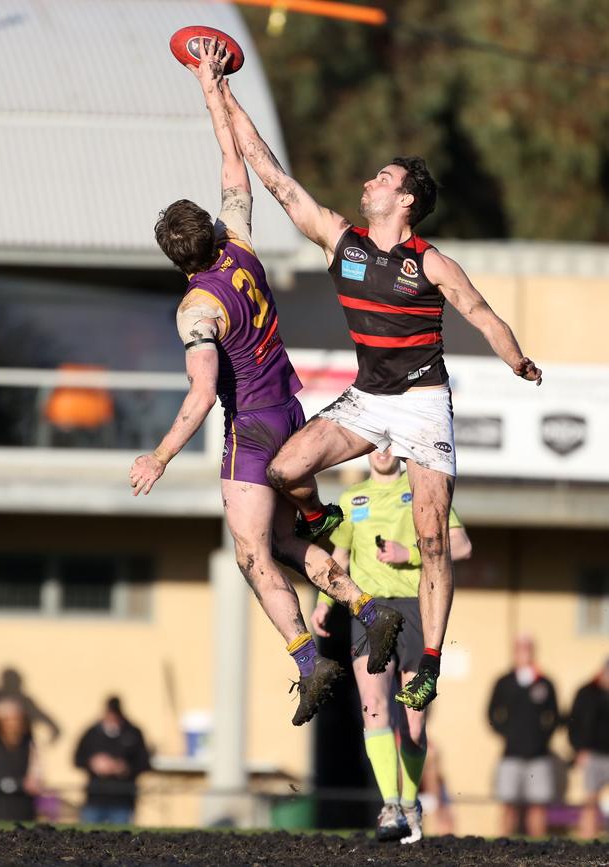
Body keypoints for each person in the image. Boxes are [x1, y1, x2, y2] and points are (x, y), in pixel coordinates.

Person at [215, 66, 542, 711]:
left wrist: (518, 360)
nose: (370, 182)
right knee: (285, 468)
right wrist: (223, 94)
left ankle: (429, 664)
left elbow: (480, 314)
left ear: (406, 200)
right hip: (369, 400)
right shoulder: (346, 243)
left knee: (431, 539)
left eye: (383, 179)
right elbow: (275, 179)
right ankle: (319, 516)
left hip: (423, 405)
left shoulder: (431, 261)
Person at [129, 39, 400, 726]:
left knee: (253, 552)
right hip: (290, 408)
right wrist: (209, 90)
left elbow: (200, 394)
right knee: (284, 542)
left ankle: (309, 659)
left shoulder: (197, 307)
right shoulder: (241, 242)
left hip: (250, 427)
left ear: (174, 259)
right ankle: (368, 608)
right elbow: (233, 165)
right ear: (216, 233)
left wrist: (159, 455)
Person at [311, 450, 471, 842]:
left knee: (413, 723)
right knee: (374, 706)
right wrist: (323, 602)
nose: (381, 451)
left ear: (399, 449)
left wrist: (409, 554)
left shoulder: (422, 489)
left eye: (388, 443)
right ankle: (390, 806)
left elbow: (462, 546)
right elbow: (340, 556)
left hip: (418, 608)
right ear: (366, 450)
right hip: (368, 610)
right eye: (374, 443)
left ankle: (411, 804)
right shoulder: (351, 499)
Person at [488, 635, 559, 837]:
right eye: (520, 648)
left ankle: (540, 851)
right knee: (508, 805)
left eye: (528, 648)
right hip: (511, 754)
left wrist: (542, 738)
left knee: (538, 807)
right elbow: (492, 713)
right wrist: (506, 733)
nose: (524, 653)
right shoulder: (504, 682)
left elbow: (554, 716)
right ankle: (503, 849)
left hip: (539, 756)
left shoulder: (545, 682)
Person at [74, 696, 150, 825]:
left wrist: (124, 768)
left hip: (122, 800)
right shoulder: (92, 733)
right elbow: (78, 759)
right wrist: (93, 764)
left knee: (122, 839)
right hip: (95, 798)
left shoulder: (133, 732)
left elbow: (144, 762)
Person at [568, 657, 609, 839]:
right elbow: (573, 723)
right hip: (593, 756)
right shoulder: (586, 693)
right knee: (590, 802)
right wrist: (579, 749)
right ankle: (587, 841)